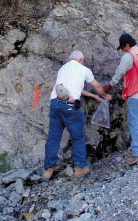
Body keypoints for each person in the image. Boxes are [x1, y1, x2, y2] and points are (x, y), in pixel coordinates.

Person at [43, 50, 112, 179]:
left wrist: (93, 96)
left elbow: (76, 88)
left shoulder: (63, 69)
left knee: (53, 138)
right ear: (80, 60)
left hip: (55, 105)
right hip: (69, 107)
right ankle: (80, 168)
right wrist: (104, 95)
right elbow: (96, 85)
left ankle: (48, 170)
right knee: (77, 137)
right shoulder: (83, 69)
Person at [105, 34, 138, 165]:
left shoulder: (129, 55)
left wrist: (110, 84)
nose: (123, 50)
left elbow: (120, 71)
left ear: (127, 45)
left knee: (134, 122)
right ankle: (136, 146)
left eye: (123, 47)